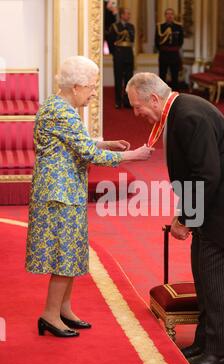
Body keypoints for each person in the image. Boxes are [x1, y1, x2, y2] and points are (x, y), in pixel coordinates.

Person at [126, 73, 224, 364]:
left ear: (155, 99)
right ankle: (205, 342)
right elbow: (198, 174)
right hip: (219, 200)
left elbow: (205, 174)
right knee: (205, 275)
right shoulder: (181, 110)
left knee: (218, 279)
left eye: (137, 106)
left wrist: (186, 219)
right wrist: (186, 214)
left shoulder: (187, 115)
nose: (136, 114)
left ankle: (220, 352)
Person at [26, 56, 153, 338]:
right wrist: (132, 156)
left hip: (65, 191)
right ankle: (49, 314)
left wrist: (104, 143)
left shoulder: (60, 106)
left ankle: (63, 309)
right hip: (58, 193)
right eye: (93, 87)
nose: (95, 92)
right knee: (63, 254)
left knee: (70, 252)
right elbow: (88, 153)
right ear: (77, 86)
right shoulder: (62, 111)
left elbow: (76, 143)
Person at [109, 7, 135, 109]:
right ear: (122, 15)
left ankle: (127, 101)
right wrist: (114, 53)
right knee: (118, 78)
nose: (129, 16)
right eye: (127, 14)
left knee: (129, 79)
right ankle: (118, 101)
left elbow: (132, 39)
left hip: (128, 54)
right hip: (119, 54)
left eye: (129, 14)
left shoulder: (131, 26)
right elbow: (110, 40)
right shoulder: (115, 26)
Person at [155, 8, 184, 90]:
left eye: (171, 14)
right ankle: (162, 95)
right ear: (165, 16)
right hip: (163, 54)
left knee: (175, 76)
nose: (169, 16)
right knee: (162, 76)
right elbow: (157, 41)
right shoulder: (160, 26)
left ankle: (175, 96)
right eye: (167, 14)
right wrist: (163, 50)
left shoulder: (178, 26)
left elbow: (181, 41)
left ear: (173, 16)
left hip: (174, 55)